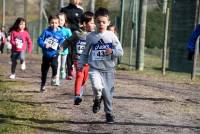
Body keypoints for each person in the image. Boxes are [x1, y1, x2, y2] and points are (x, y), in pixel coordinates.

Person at [78, 7, 123, 123]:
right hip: (95, 68)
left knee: (108, 94)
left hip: (109, 69)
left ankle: (109, 113)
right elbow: (84, 52)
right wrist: (81, 64)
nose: (101, 24)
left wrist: (112, 51)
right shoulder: (91, 36)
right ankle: (97, 99)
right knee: (97, 87)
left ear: (108, 22)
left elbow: (120, 51)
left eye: (103, 22)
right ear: (95, 22)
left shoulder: (111, 36)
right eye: (98, 22)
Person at [63, 11, 95, 105]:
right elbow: (68, 41)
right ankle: (77, 95)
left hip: (88, 61)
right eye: (92, 23)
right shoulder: (77, 34)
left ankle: (79, 93)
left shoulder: (94, 35)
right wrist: (61, 48)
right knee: (79, 75)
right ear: (84, 24)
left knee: (84, 79)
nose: (94, 25)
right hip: (78, 59)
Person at [37, 15, 65, 92]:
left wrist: (61, 45)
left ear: (58, 23)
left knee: (54, 65)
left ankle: (54, 76)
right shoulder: (46, 32)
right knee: (44, 71)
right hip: (46, 54)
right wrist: (44, 45)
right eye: (52, 23)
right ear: (49, 23)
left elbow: (62, 40)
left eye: (56, 23)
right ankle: (42, 86)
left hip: (55, 53)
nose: (54, 24)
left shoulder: (60, 33)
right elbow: (39, 40)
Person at [60, 0, 84, 80]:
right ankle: (69, 70)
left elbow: (82, 23)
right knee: (68, 52)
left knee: (75, 52)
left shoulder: (80, 10)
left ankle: (76, 68)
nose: (76, 0)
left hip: (77, 34)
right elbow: (60, 20)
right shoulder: (64, 9)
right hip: (67, 34)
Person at [54, 13, 72, 86]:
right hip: (57, 51)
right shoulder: (54, 30)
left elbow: (71, 38)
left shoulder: (67, 30)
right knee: (57, 66)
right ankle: (56, 80)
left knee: (62, 66)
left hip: (65, 51)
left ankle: (63, 70)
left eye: (62, 20)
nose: (60, 21)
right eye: (58, 20)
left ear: (64, 21)